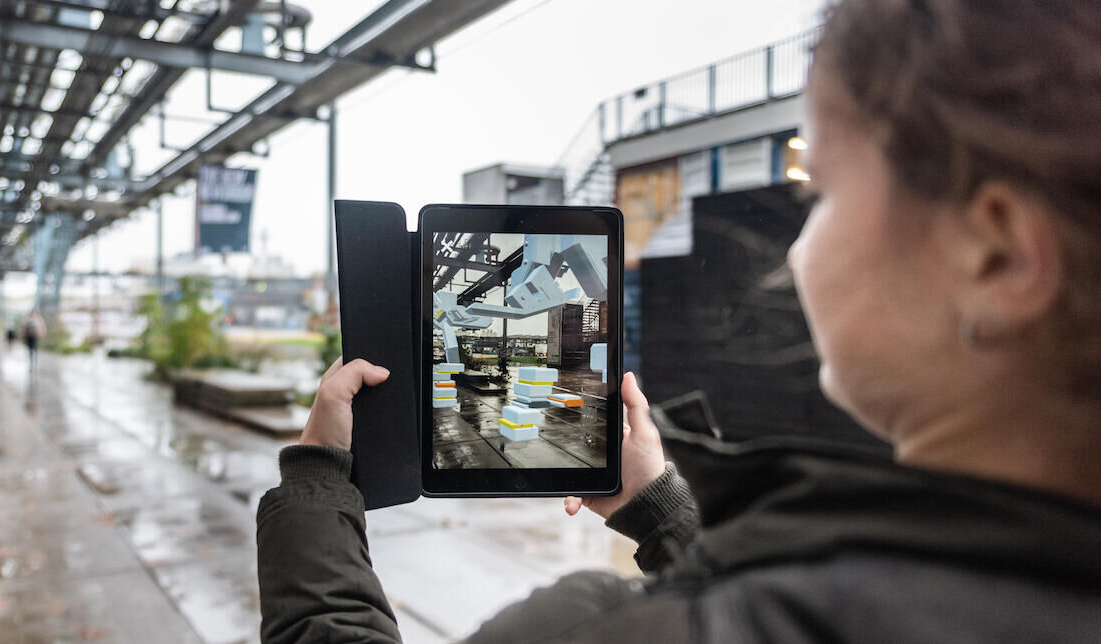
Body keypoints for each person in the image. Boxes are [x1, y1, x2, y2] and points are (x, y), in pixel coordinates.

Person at [256, 0, 1101, 641]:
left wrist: (319, 478)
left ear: (997, 255)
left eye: (824, 191)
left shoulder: (605, 627)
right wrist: (663, 514)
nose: (798, 250)